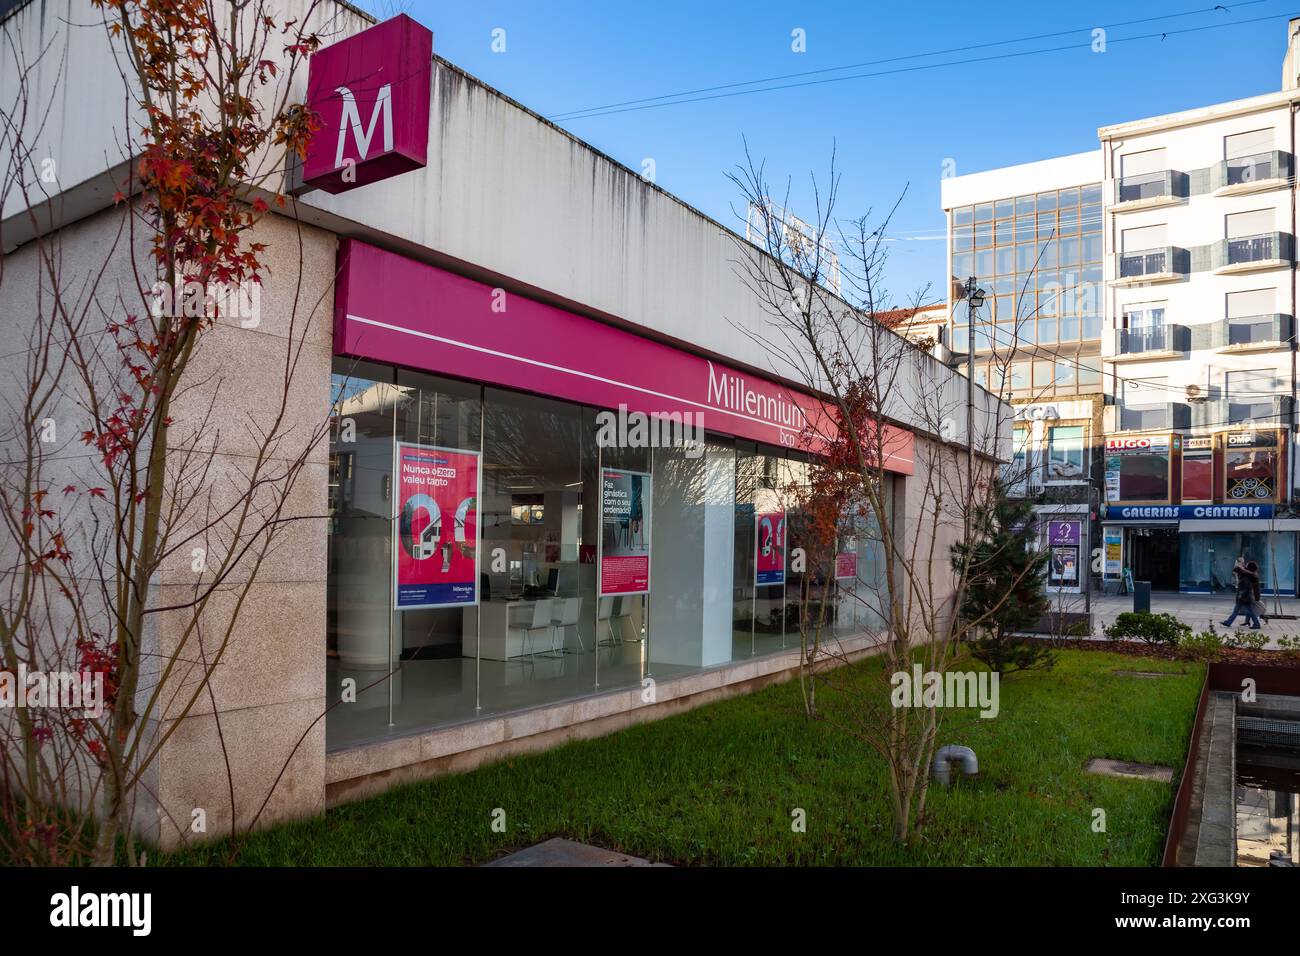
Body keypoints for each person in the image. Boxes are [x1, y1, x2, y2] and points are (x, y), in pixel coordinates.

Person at [1222, 558, 1261, 629]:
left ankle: (1256, 624)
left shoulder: (1246, 577)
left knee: (1242, 610)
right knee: (1245, 610)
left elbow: (1246, 588)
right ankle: (1228, 622)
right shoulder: (1248, 575)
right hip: (1245, 597)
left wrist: (1241, 596)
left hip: (1244, 597)